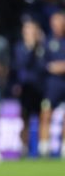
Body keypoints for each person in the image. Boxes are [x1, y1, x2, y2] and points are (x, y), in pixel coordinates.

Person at [12, 20, 46, 155]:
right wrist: (32, 48)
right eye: (27, 30)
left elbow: (44, 66)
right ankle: (24, 147)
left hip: (40, 88)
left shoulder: (43, 47)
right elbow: (21, 64)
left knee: (41, 118)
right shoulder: (19, 48)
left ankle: (41, 147)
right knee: (24, 119)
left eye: (32, 30)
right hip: (26, 88)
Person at [39, 11, 65, 157]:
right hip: (52, 86)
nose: (58, 26)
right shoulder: (47, 42)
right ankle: (44, 147)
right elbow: (43, 64)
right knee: (46, 114)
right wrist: (52, 67)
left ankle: (64, 147)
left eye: (60, 23)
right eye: (55, 23)